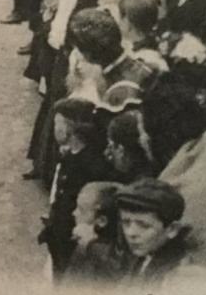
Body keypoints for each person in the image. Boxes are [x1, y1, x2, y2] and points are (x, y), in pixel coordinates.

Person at [39, 97, 113, 276]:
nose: (54, 128)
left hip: (71, 240)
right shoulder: (71, 155)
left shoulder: (89, 166)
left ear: (70, 127)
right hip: (59, 236)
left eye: (58, 123)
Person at [115, 177, 194, 284]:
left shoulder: (180, 275)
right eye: (126, 222)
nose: (130, 233)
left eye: (143, 225)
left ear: (172, 229)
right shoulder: (141, 258)